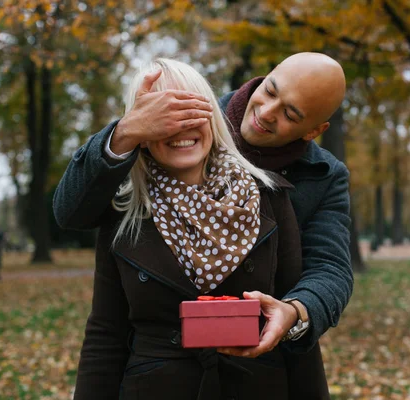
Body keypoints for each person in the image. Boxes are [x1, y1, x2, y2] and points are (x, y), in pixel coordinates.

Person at [54, 52, 352, 360]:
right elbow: (71, 213)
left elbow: (331, 268)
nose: (266, 112)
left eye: (290, 115)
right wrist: (126, 131)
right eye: (270, 91)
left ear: (313, 131)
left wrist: (296, 311)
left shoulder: (316, 179)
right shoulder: (188, 118)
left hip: (256, 369)